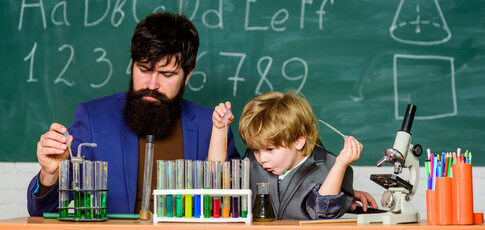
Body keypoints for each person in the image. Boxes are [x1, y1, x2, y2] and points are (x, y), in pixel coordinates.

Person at [27, 12, 239, 216]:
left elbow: (234, 208)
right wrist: (50, 174)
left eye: (167, 74)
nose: (152, 84)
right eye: (144, 69)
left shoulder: (211, 126)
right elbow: (41, 213)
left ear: (187, 76)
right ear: (133, 65)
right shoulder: (92, 118)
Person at [210, 92, 377, 220]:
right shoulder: (252, 162)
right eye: (255, 149)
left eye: (270, 149)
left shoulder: (330, 166)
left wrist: (340, 166)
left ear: (298, 141)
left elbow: (322, 212)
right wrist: (219, 129)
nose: (261, 158)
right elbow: (216, 178)